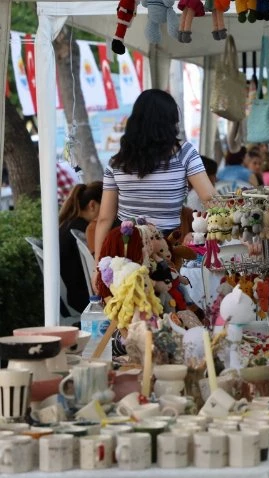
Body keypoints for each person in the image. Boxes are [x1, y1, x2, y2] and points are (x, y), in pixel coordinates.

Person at [94, 89, 216, 263]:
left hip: (125, 250)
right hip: (165, 249)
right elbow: (210, 199)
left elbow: (105, 219)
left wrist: (98, 266)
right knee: (169, 288)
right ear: (170, 122)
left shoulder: (117, 162)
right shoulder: (184, 153)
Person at [59, 181, 103, 313]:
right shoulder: (85, 230)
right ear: (92, 205)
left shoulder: (67, 225)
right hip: (85, 300)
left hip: (68, 299)